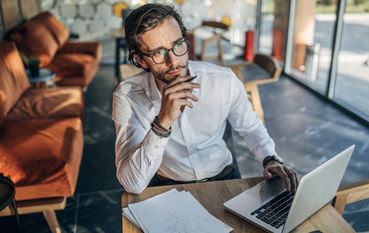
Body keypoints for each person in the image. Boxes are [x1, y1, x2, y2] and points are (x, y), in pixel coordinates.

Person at [112, 3, 298, 194]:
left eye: (178, 45)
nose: (174, 61)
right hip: (168, 185)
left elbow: (251, 128)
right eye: (158, 53)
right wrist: (162, 123)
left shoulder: (223, 80)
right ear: (140, 60)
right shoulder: (128, 96)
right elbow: (132, 184)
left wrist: (270, 158)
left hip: (224, 178)